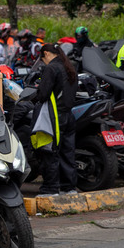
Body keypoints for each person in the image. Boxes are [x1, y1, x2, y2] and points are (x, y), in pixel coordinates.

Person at [32, 44, 78, 196]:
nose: (43, 62)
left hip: (54, 116)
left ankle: (50, 189)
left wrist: (36, 93)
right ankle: (69, 188)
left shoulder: (51, 68)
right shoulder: (69, 67)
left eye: (42, 58)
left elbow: (43, 94)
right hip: (69, 115)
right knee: (67, 152)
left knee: (50, 151)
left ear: (46, 53)